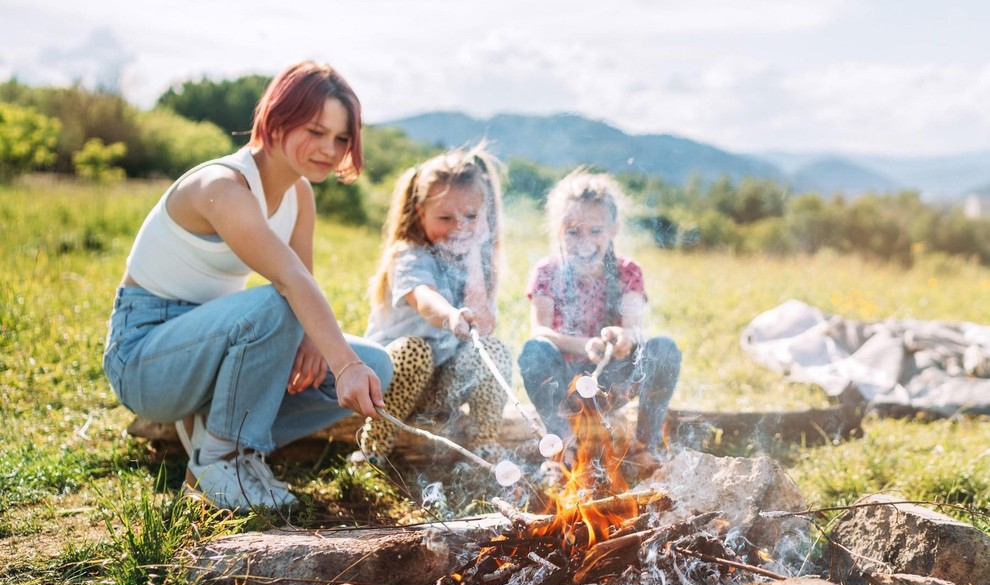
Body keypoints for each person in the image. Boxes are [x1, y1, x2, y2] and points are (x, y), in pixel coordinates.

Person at [102, 60, 393, 512]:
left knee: (377, 364)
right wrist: (342, 361)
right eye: (315, 131)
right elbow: (291, 280)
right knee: (282, 306)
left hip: (211, 348)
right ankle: (218, 462)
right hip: (145, 360)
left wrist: (325, 348)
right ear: (277, 118)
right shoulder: (222, 185)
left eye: (340, 138)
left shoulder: (299, 194)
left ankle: (227, 438)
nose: (328, 149)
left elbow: (304, 281)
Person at [353, 143, 512, 465]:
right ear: (419, 213)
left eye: (471, 216)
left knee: (495, 350)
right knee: (416, 350)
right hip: (392, 381)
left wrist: (472, 261)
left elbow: (484, 325)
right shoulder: (409, 255)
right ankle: (374, 449)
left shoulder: (476, 262)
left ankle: (483, 448)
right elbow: (424, 299)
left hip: (441, 388)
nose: (459, 227)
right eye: (445, 217)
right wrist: (450, 315)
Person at [518, 167, 681, 468]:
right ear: (558, 231)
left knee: (664, 348)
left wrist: (623, 340)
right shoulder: (547, 271)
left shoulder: (627, 271)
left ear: (613, 230)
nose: (584, 241)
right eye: (573, 231)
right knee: (533, 351)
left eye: (595, 231)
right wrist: (584, 345)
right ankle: (564, 445)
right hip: (564, 382)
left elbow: (633, 327)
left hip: (612, 382)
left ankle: (645, 444)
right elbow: (539, 330)